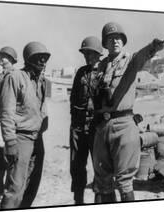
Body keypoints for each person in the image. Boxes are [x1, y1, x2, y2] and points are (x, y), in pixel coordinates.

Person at [92, 22, 164, 203]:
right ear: (105, 43)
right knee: (103, 180)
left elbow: (143, 56)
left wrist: (152, 47)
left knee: (124, 181)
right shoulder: (100, 67)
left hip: (124, 125)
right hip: (103, 126)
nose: (114, 41)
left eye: (118, 38)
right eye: (110, 38)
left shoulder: (131, 61)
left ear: (123, 41)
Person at [0, 41, 50, 209]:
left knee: (32, 186)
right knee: (15, 188)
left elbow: (42, 109)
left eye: (45, 58)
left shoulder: (42, 81)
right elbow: (6, 112)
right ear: (28, 59)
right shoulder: (14, 77)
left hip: (37, 140)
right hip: (20, 139)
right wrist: (10, 141)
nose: (43, 62)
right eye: (38, 58)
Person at [69, 36, 103, 204]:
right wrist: (75, 122)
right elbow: (73, 97)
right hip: (78, 126)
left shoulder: (105, 71)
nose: (87, 57)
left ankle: (98, 201)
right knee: (76, 166)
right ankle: (78, 201)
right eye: (85, 53)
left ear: (98, 53)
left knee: (100, 166)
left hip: (97, 127)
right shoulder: (81, 72)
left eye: (90, 53)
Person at [0, 46, 17, 202]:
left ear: (12, 59)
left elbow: (6, 97)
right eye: (0, 56)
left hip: (4, 120)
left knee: (5, 156)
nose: (1, 59)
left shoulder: (13, 75)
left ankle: (6, 187)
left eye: (4, 56)